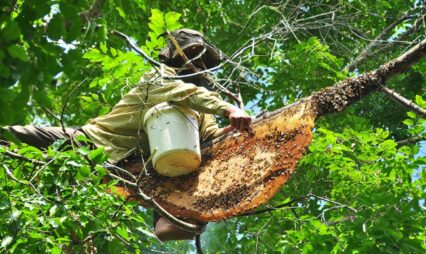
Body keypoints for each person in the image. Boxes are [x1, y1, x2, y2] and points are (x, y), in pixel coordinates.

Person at [1, 29, 253, 241]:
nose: (197, 63)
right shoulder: (161, 78)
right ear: (175, 56)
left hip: (136, 170)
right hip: (96, 142)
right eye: (191, 55)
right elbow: (186, 93)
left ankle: (174, 216)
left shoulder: (199, 107)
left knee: (189, 171)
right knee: (21, 136)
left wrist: (232, 131)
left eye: (202, 59)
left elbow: (209, 136)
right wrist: (229, 108)